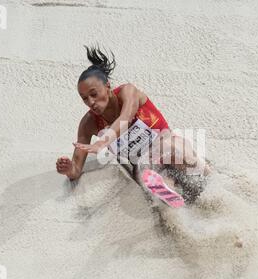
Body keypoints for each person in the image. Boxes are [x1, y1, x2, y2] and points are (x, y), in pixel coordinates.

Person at [56, 45, 211, 203]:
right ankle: (175, 202)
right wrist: (69, 169)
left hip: (167, 146)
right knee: (147, 175)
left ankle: (209, 179)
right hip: (146, 165)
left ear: (107, 86)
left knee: (173, 148)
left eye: (94, 94)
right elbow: (76, 169)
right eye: (84, 98)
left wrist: (103, 142)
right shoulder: (88, 123)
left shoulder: (127, 92)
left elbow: (126, 118)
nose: (91, 102)